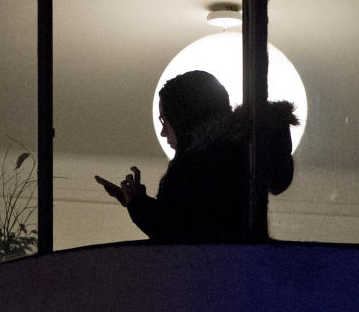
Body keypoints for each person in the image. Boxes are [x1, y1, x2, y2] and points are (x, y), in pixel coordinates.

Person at [95, 70, 298, 243]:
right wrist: (139, 203)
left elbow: (181, 238)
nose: (163, 132)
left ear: (183, 118)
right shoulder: (236, 162)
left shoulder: (198, 168)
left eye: (165, 120)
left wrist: (138, 206)